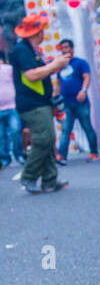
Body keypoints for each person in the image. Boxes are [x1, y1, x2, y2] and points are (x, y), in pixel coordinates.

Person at [11, 15, 70, 195]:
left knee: (48, 139)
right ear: (38, 32)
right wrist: (55, 65)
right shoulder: (22, 50)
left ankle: (49, 180)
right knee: (44, 139)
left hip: (40, 102)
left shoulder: (31, 50)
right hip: (32, 103)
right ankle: (29, 176)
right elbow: (32, 75)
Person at [55, 40, 99, 163]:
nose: (64, 50)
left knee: (87, 127)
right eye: (62, 48)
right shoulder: (60, 66)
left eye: (66, 47)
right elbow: (58, 83)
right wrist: (55, 97)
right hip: (66, 103)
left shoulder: (80, 63)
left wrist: (83, 90)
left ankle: (94, 153)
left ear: (72, 48)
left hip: (81, 102)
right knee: (66, 129)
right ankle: (62, 156)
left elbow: (87, 77)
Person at [0, 52, 21, 167]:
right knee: (1, 137)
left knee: (15, 130)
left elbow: (17, 80)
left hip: (11, 106)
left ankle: (19, 154)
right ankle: (5, 159)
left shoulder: (8, 69)